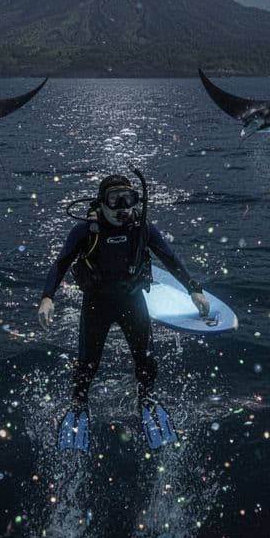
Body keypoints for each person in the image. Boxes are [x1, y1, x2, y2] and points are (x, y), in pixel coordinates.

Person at [37, 172, 211, 452]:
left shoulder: (143, 229)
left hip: (133, 301)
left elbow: (170, 257)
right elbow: (60, 264)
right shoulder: (85, 232)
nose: (123, 208)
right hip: (97, 304)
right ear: (100, 203)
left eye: (128, 200)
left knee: (146, 359)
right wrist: (47, 297)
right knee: (87, 363)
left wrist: (194, 288)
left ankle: (147, 400)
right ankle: (80, 403)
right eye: (114, 201)